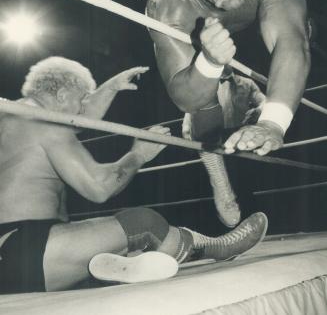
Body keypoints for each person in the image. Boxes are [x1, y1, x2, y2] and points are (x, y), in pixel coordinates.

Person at [0, 56, 267, 293]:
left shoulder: (16, 116)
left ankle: (107, 271)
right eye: (82, 100)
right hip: (24, 253)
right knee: (142, 223)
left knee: (112, 243)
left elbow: (77, 121)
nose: (84, 109)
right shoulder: (47, 125)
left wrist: (110, 87)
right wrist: (139, 154)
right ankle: (217, 247)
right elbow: (98, 188)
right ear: (61, 96)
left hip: (14, 250)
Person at [142, 0, 311, 227]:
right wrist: (209, 61)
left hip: (262, 15)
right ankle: (216, 168)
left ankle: (256, 111)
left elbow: (291, 43)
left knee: (299, 30)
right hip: (199, 35)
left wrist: (273, 124)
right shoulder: (166, 2)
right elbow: (185, 97)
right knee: (204, 101)